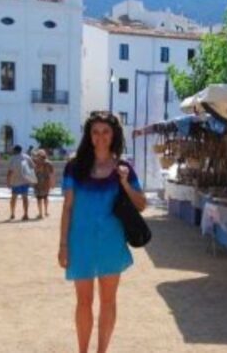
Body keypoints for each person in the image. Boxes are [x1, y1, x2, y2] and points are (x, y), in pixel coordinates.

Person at [58, 112, 147, 353]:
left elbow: (141, 204)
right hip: (80, 242)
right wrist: (63, 245)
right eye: (95, 132)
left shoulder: (123, 168)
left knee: (108, 302)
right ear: (88, 135)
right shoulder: (74, 168)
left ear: (114, 134)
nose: (100, 137)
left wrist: (126, 183)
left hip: (111, 242)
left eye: (105, 131)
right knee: (83, 302)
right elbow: (67, 208)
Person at [6, 145, 35, 220]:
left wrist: (8, 182)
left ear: (15, 150)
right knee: (25, 198)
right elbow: (33, 167)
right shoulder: (27, 157)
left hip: (15, 181)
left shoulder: (12, 158)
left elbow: (10, 172)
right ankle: (25, 214)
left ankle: (12, 213)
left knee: (13, 198)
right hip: (25, 181)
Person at [33, 149, 55, 218]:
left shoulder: (36, 163)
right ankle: (46, 211)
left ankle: (40, 213)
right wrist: (52, 183)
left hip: (38, 182)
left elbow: (34, 172)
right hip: (46, 182)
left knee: (39, 198)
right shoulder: (49, 163)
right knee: (46, 197)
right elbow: (51, 174)